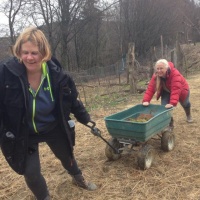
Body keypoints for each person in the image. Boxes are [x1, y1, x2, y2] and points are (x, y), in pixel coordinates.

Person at [0, 26, 98, 200]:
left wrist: (86, 119)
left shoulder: (57, 75)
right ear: (18, 52)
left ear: (44, 53)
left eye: (34, 53)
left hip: (53, 126)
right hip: (24, 131)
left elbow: (72, 101)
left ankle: (77, 177)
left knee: (66, 155)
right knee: (30, 173)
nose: (29, 58)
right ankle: (44, 197)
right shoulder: (6, 73)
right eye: (25, 52)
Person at [142, 59, 193, 128]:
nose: (159, 70)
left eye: (161, 68)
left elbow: (176, 89)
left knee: (185, 103)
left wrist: (172, 103)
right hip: (166, 91)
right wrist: (146, 100)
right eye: (158, 69)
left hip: (181, 90)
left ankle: (188, 115)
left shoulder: (175, 74)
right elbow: (150, 88)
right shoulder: (156, 75)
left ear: (166, 68)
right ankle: (170, 124)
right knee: (164, 107)